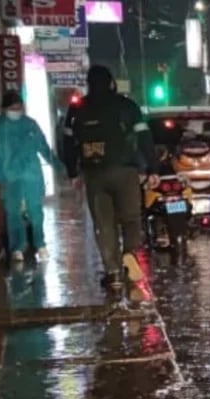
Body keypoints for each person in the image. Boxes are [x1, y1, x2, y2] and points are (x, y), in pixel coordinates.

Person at [61, 65, 157, 299]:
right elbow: (145, 137)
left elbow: (67, 144)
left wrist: (73, 173)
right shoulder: (126, 105)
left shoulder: (76, 109)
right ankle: (130, 254)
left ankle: (113, 272)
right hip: (124, 170)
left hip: (94, 174)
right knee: (131, 218)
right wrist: (152, 168)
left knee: (104, 225)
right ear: (111, 83)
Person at [0, 91, 56, 264]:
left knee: (36, 211)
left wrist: (58, 165)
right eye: (13, 108)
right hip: (10, 177)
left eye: (19, 107)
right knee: (13, 213)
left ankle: (40, 244)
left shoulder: (30, 125)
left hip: (31, 175)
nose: (16, 111)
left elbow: (43, 146)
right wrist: (0, 179)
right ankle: (17, 248)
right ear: (4, 109)